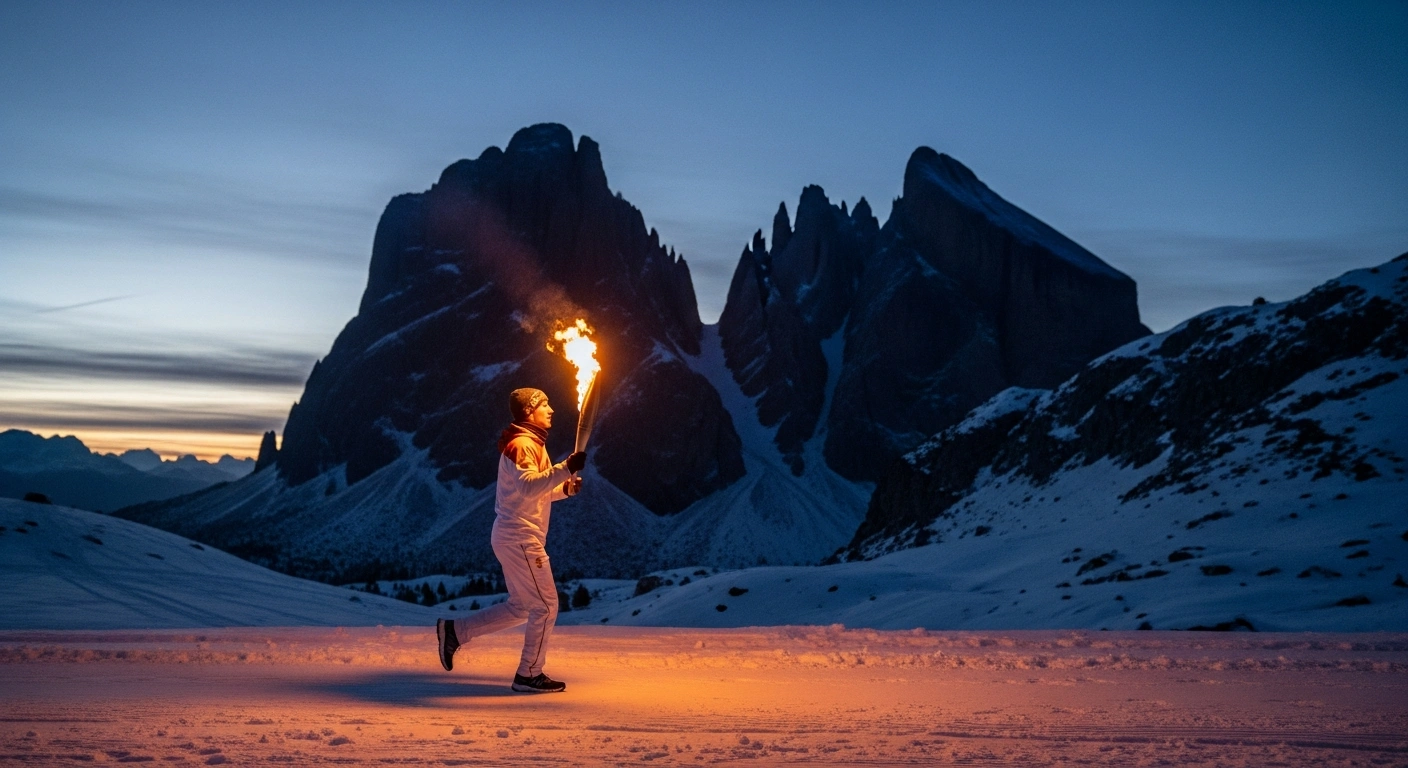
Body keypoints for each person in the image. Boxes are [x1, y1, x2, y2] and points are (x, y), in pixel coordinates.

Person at [436, 387, 586, 693]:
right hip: (520, 537)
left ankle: (456, 632)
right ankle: (529, 674)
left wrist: (564, 489)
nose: (552, 409)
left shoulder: (532, 444)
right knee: (545, 606)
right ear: (530, 410)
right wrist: (566, 468)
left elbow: (534, 494)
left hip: (515, 534)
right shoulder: (521, 444)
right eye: (545, 404)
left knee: (521, 606)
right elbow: (530, 487)